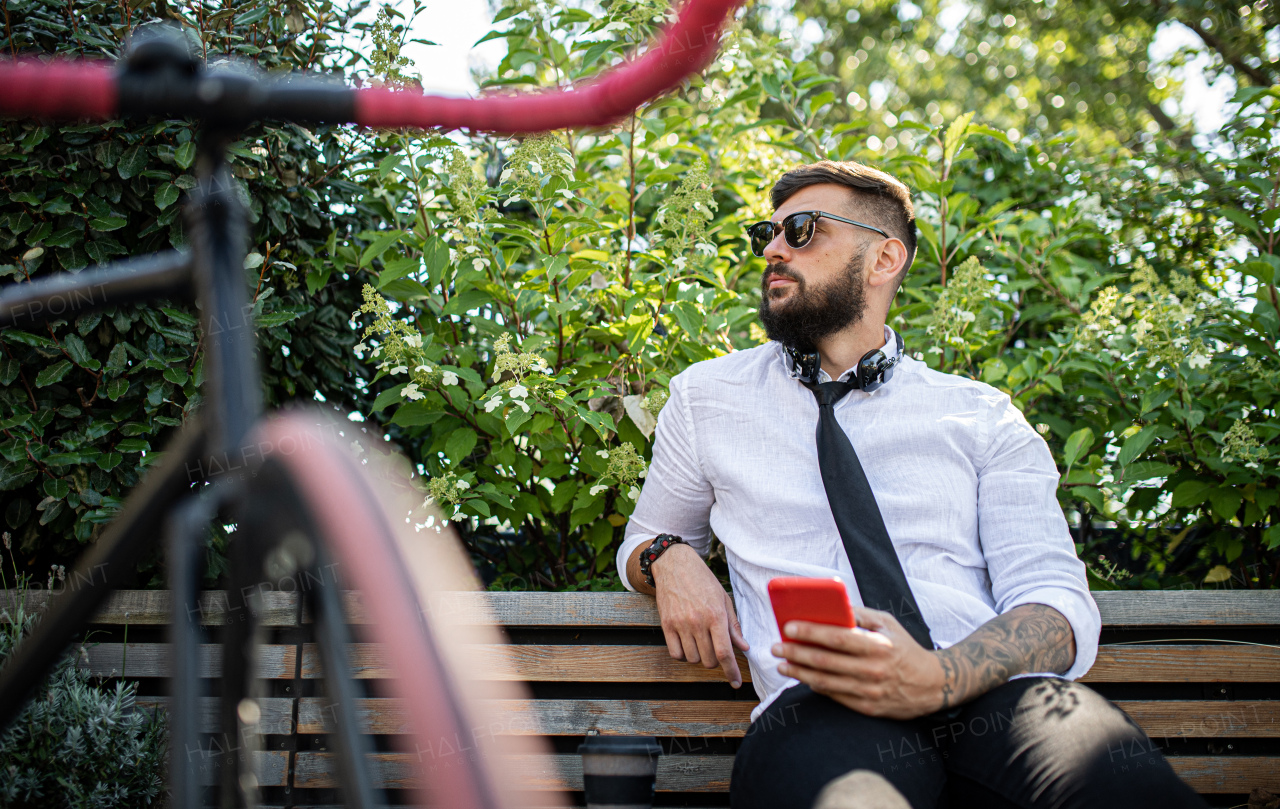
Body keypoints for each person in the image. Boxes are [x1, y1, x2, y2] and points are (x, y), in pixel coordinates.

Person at [615, 161, 1207, 809]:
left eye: (803, 230)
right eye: (769, 233)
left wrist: (938, 675)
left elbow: (1055, 606)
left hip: (997, 697)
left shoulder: (982, 416)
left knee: (1127, 791)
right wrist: (668, 556)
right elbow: (645, 536)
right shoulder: (706, 397)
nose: (774, 249)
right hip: (822, 709)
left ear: (884, 258)